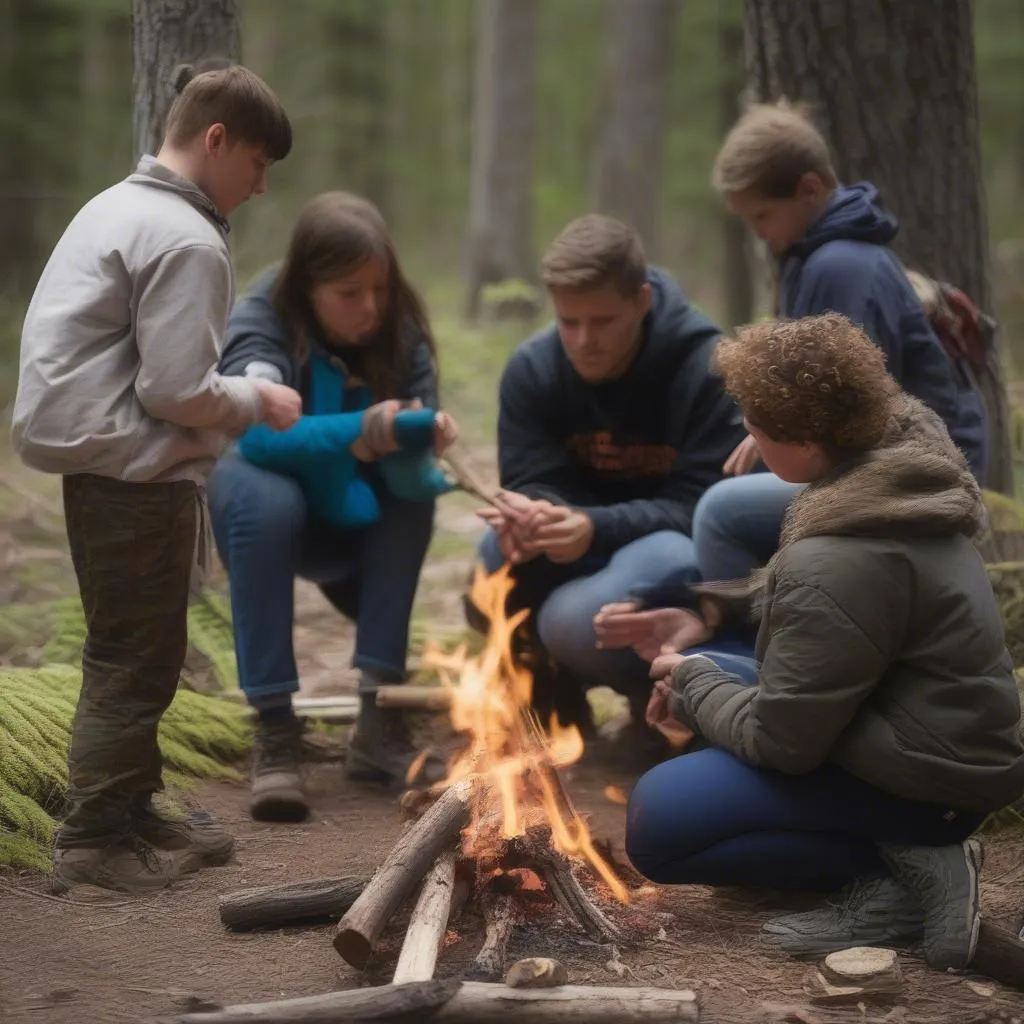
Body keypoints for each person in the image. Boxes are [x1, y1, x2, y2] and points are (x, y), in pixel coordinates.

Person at [624, 313, 1024, 972]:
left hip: (931, 785)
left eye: (754, 423)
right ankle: (903, 856)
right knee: (711, 675)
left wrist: (695, 685)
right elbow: (843, 623)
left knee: (657, 822)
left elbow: (784, 744)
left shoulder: (837, 553)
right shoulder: (898, 476)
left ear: (808, 442)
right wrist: (707, 617)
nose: (745, 433)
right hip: (936, 740)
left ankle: (902, 876)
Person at [10, 65, 299, 894]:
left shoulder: (117, 206)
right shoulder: (185, 238)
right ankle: (94, 838)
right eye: (258, 163)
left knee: (141, 647)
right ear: (216, 141)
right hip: (132, 470)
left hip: (101, 462)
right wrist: (256, 398)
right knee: (132, 659)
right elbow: (173, 390)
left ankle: (133, 805)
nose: (261, 185)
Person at [208, 191, 460, 820]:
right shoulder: (264, 319)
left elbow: (408, 481)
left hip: (362, 522)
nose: (370, 307)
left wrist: (418, 445)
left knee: (413, 505)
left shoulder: (401, 334)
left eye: (378, 288)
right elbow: (257, 434)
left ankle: (379, 720)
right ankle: (274, 728)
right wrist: (364, 430)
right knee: (263, 496)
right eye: (349, 292)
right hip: (273, 508)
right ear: (306, 288)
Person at [468, 214, 744, 736]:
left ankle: (659, 699)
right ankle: (550, 696)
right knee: (493, 555)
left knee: (573, 621)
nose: (583, 340)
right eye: (568, 321)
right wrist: (535, 514)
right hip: (580, 546)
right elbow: (534, 478)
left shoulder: (708, 368)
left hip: (671, 549)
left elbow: (704, 509)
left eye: (602, 321)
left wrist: (593, 527)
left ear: (642, 300)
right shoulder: (533, 369)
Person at [691, 100, 988, 585]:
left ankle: (749, 652)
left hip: (918, 475)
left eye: (763, 215)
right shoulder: (815, 257)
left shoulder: (842, 267)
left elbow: (848, 402)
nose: (759, 235)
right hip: (879, 457)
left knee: (721, 514)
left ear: (810, 189)